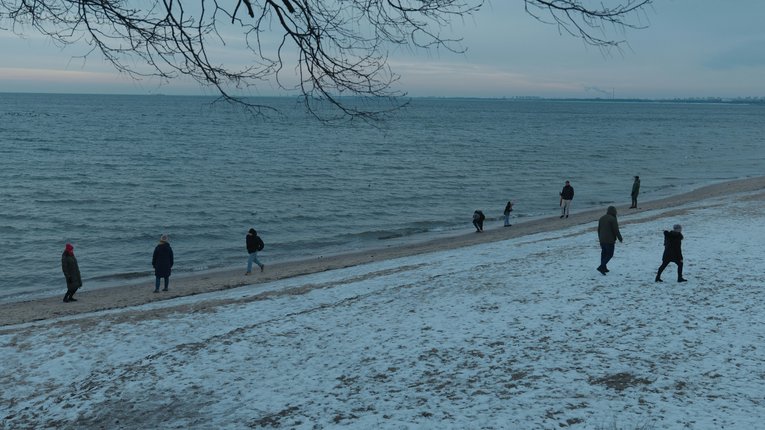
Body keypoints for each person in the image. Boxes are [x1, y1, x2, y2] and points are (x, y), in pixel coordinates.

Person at [597, 206, 623, 275]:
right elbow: (616, 230)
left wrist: (600, 239)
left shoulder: (601, 218)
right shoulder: (613, 219)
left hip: (602, 239)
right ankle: (601, 266)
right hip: (610, 240)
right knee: (610, 254)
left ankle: (604, 267)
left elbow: (599, 230)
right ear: (614, 212)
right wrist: (620, 238)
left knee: (604, 253)